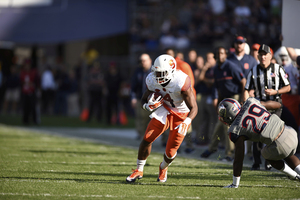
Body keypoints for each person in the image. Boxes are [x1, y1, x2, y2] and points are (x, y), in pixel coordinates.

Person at [126, 54, 197, 183]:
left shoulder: (181, 81)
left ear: (171, 70)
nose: (158, 76)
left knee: (170, 152)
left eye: (162, 73)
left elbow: (194, 107)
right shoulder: (151, 79)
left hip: (181, 113)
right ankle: (139, 170)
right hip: (164, 109)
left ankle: (163, 167)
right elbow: (143, 100)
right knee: (147, 138)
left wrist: (187, 121)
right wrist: (147, 106)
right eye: (157, 72)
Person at [218, 97, 300, 188]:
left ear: (228, 115)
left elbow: (238, 159)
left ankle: (294, 175)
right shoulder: (251, 102)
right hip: (290, 132)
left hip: (279, 145)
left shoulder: (235, 130)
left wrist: (235, 184)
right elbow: (278, 105)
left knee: (267, 153)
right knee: (285, 152)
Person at [244, 44, 291, 170]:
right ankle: (256, 161)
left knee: (271, 133)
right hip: (260, 107)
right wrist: (247, 100)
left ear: (270, 56)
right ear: (258, 56)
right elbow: (246, 89)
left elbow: (288, 87)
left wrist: (275, 92)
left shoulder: (278, 69)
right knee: (256, 134)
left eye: (265, 54)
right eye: (261, 54)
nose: (263, 57)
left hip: (275, 105)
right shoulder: (253, 71)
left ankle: (269, 160)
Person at [201, 46, 246, 161]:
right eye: (218, 54)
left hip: (234, 97)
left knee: (227, 126)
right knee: (219, 124)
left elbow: (243, 81)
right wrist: (216, 99)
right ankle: (212, 148)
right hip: (224, 99)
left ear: (225, 55)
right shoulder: (216, 69)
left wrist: (242, 98)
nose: (220, 56)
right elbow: (216, 86)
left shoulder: (231, 66)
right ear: (215, 57)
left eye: (222, 53)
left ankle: (229, 154)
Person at [165, 48, 196, 153]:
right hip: (171, 98)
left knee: (186, 121)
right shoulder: (163, 66)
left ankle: (189, 144)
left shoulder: (182, 65)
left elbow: (190, 83)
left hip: (183, 97)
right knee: (170, 121)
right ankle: (171, 144)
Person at [193, 54, 217, 145]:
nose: (208, 60)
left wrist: (206, 80)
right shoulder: (206, 69)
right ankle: (202, 139)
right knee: (203, 119)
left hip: (212, 96)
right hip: (204, 96)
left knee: (212, 120)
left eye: (210, 58)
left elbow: (212, 82)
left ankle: (212, 140)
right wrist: (203, 70)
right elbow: (200, 79)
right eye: (207, 58)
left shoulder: (216, 69)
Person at [131, 53, 152, 139]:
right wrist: (133, 98)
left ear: (150, 60)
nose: (143, 62)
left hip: (154, 99)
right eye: (141, 61)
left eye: (144, 60)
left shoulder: (155, 71)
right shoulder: (138, 72)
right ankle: (142, 136)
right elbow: (133, 86)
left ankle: (164, 139)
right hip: (142, 98)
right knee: (141, 118)